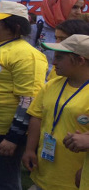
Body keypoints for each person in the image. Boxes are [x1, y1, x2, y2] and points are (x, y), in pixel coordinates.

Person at [0, 1, 48, 189]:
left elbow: (29, 100)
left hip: (3, 137)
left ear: (15, 27)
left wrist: (13, 137)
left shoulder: (27, 54)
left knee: (4, 183)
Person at [22, 35, 89, 190]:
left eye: (59, 58)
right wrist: (30, 149)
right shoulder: (51, 85)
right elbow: (37, 117)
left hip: (75, 179)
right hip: (45, 173)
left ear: (80, 60)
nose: (53, 62)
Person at [32, 0, 85, 70]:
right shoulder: (34, 31)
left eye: (81, 8)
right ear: (57, 7)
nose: (79, 12)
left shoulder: (82, 32)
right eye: (74, 7)